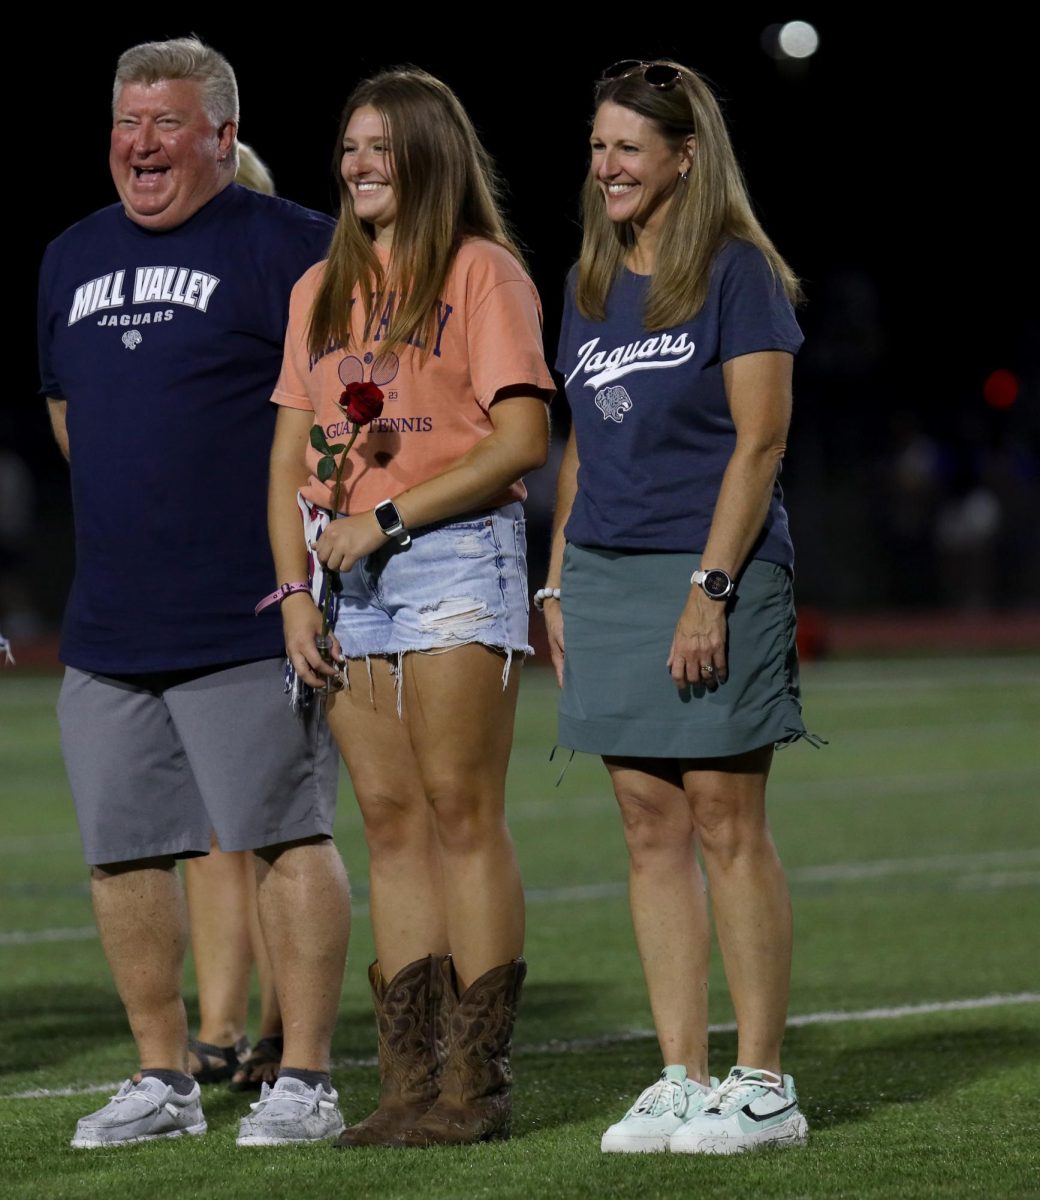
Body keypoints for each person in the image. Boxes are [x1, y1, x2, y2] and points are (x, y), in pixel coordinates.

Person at [37, 36, 351, 1149]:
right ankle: (162, 1077)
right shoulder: (69, 256)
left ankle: (305, 1076)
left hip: (248, 613)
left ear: (223, 133)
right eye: (127, 122)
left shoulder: (296, 247)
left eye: (165, 123)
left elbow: (347, 414)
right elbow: (71, 419)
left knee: (282, 838)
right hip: (112, 619)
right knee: (122, 850)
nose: (141, 144)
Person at [268, 66, 553, 1147]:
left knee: (457, 811)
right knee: (386, 823)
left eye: (380, 147)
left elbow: (520, 439)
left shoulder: (483, 273)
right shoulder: (318, 287)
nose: (356, 165)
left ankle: (473, 1088)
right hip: (340, 575)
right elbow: (287, 453)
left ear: (429, 155)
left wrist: (386, 523)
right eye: (348, 147)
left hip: (447, 558)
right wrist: (295, 587)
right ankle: (408, 1084)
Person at [544, 59, 813, 1156]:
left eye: (627, 147)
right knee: (646, 826)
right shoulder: (586, 281)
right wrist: (556, 577)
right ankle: (677, 1077)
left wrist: (709, 589)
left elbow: (760, 441)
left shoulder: (735, 270)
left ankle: (762, 1082)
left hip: (711, 566)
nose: (606, 165)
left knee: (721, 821)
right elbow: (578, 444)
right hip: (602, 572)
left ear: (681, 157)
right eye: (598, 145)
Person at [181, 136, 284, 1095]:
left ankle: (281, 1025)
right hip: (191, 584)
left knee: (273, 821)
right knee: (211, 826)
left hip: (269, 579)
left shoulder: (283, 300)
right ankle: (217, 1027)